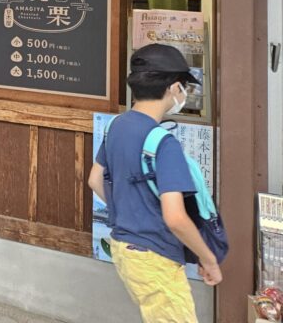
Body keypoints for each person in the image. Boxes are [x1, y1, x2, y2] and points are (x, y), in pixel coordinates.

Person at [87, 44, 221, 322]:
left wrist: (128, 214)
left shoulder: (116, 126)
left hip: (126, 250)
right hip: (155, 256)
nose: (184, 94)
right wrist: (208, 259)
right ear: (174, 88)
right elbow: (175, 218)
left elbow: (95, 179)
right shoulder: (164, 143)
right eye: (184, 87)